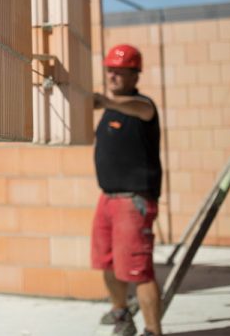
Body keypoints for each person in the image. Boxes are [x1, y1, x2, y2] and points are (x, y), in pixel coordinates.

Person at [91, 44, 163, 336]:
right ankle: (121, 314)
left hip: (134, 202)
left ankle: (153, 331)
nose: (113, 76)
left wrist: (107, 102)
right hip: (107, 199)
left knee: (138, 270)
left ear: (135, 75)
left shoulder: (142, 105)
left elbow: (140, 109)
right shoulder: (111, 109)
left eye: (121, 72)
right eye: (110, 70)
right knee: (106, 263)